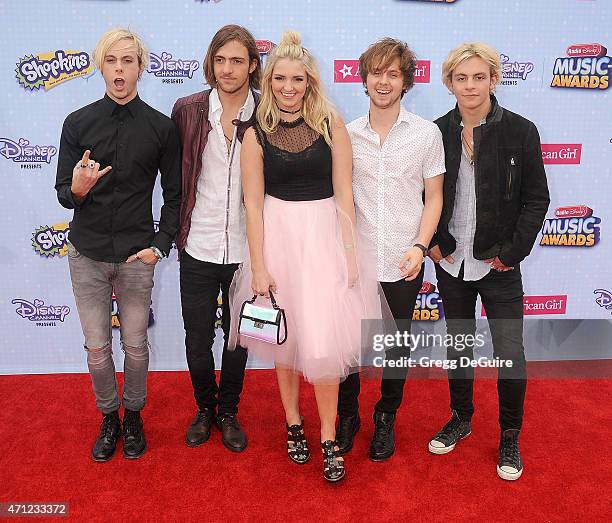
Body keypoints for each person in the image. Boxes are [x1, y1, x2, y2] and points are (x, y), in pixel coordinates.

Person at [230, 31, 386, 482]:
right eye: (279, 78)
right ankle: (293, 423)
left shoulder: (330, 124)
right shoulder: (255, 133)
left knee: (323, 345)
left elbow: (343, 195)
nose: (288, 87)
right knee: (286, 339)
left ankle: (329, 437)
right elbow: (253, 206)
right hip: (278, 240)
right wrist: (258, 265)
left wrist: (351, 253)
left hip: (324, 241)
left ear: (310, 82)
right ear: (269, 79)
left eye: (297, 79)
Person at [55, 28, 181, 461]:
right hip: (86, 253)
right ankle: (109, 417)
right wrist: (80, 189)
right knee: (96, 348)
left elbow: (175, 196)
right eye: (112, 61)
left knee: (135, 345)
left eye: (128, 61)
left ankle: (134, 415)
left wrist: (160, 246)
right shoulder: (78, 123)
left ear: (141, 67)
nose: (120, 70)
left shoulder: (162, 128)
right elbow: (63, 194)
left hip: (135, 255)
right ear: (100, 66)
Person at [428, 42, 549, 481]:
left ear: (494, 80)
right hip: (452, 263)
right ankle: (461, 418)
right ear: (449, 83)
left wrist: (511, 253)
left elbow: (536, 200)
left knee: (509, 353)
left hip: (499, 267)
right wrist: (434, 244)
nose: (470, 85)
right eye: (461, 78)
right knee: (458, 348)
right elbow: (425, 196)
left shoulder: (521, 130)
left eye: (479, 77)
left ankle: (510, 435)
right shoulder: (436, 131)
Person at [337, 38, 445, 461]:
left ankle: (386, 417)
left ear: (405, 82)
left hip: (405, 260)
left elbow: (433, 197)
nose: (384, 81)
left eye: (393, 74)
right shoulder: (346, 135)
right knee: (349, 346)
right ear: (363, 79)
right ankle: (348, 417)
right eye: (376, 73)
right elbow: (340, 198)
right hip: (356, 261)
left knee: (397, 346)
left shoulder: (426, 134)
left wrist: (421, 246)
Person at [171, 25, 261, 454]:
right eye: (221, 60)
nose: (228, 69)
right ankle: (204, 408)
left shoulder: (268, 112)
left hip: (248, 249)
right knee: (197, 336)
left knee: (239, 336)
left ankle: (229, 410)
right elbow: (175, 178)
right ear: (211, 63)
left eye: (238, 60)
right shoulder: (187, 110)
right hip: (198, 245)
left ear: (252, 66)